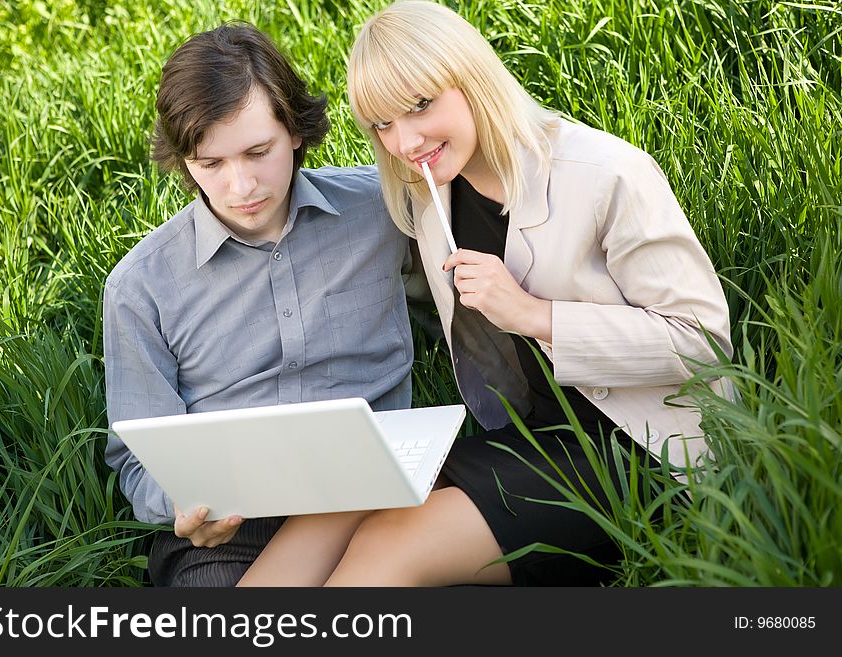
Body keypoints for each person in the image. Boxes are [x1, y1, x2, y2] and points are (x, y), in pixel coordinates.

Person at [236, 0, 733, 587]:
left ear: (470, 77)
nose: (406, 140)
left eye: (420, 105)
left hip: (641, 446)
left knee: (389, 546)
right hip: (533, 432)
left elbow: (703, 344)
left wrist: (533, 315)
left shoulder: (606, 176)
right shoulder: (429, 195)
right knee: (345, 503)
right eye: (382, 124)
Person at [102, 22, 415, 587]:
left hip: (376, 491)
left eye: (257, 152)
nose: (240, 185)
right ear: (185, 161)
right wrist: (186, 505)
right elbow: (136, 453)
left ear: (294, 130)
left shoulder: (384, 210)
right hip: (232, 527)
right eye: (211, 164)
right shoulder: (141, 286)